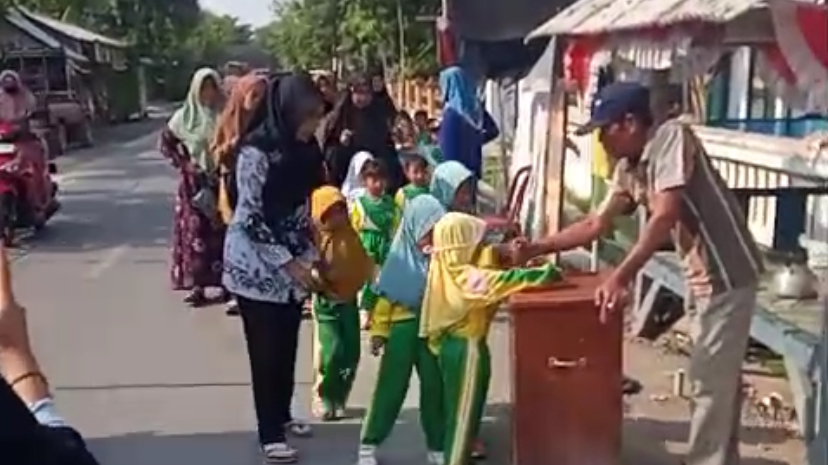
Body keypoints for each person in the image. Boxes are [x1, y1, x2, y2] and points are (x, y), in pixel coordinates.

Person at [514, 82, 764, 465]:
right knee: (717, 382)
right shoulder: (630, 168)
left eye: (604, 130)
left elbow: (664, 214)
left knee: (708, 383)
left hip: (727, 273)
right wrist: (539, 247)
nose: (600, 141)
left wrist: (621, 275)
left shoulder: (671, 138)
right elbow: (596, 224)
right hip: (701, 277)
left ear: (629, 123)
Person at [222, 72, 327, 463]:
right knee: (265, 351)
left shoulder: (304, 150)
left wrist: (312, 255)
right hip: (254, 265)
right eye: (308, 117)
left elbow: (306, 208)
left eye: (316, 117)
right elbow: (249, 217)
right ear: (287, 112)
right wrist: (288, 264)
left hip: (292, 258)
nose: (313, 125)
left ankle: (282, 414)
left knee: (287, 343)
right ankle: (269, 433)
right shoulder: (255, 152)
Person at [421, 213, 559, 465]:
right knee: (462, 422)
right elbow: (507, 280)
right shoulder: (466, 277)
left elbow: (488, 260)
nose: (481, 245)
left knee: (462, 415)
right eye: (475, 241)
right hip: (468, 351)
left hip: (455, 348)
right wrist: (547, 271)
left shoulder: (444, 265)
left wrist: (504, 252)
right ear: (463, 245)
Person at [357, 194, 447, 465]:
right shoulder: (399, 260)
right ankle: (368, 444)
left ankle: (438, 446)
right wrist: (379, 333)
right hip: (402, 331)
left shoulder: (442, 261)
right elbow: (386, 299)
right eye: (426, 232)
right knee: (390, 388)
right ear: (412, 227)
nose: (431, 239)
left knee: (435, 389)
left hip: (432, 330)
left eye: (436, 232)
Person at [159, 68, 230, 308]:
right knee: (195, 234)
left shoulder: (225, 114)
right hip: (193, 185)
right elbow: (166, 144)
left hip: (220, 181)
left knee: (222, 231)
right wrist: (186, 165)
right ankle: (196, 285)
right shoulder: (182, 118)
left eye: (212, 88)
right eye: (203, 89)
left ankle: (225, 284)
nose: (208, 94)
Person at [310, 186, 373, 421]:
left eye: (340, 210)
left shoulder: (350, 235)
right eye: (331, 211)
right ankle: (325, 397)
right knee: (332, 350)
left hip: (349, 302)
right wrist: (319, 281)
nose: (338, 216)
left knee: (351, 352)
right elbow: (312, 267)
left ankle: (339, 397)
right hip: (328, 303)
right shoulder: (318, 240)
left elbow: (362, 263)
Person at [210, 73, 267, 315]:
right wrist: (230, 146)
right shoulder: (228, 120)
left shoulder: (268, 121)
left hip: (261, 185)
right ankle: (238, 292)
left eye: (262, 97)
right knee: (237, 237)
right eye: (254, 96)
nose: (257, 102)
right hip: (233, 184)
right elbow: (215, 154)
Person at [321, 74, 403, 191]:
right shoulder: (341, 114)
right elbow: (327, 145)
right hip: (347, 165)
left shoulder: (379, 112)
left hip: (375, 164)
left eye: (367, 93)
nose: (363, 98)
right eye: (359, 93)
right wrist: (341, 142)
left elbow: (387, 140)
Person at [344, 157, 399, 329]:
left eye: (381, 179)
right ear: (364, 181)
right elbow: (352, 227)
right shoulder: (358, 204)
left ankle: (379, 311)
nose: (378, 184)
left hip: (385, 246)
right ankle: (364, 311)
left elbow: (395, 224)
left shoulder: (390, 203)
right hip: (366, 245)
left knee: (381, 280)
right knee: (367, 281)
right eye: (373, 179)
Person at [437, 66, 499, 181]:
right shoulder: (476, 109)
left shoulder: (451, 114)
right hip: (474, 168)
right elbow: (494, 131)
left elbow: (447, 150)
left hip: (456, 175)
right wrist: (476, 140)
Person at [0, 70, 49, 214]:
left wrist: (27, 126)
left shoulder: (27, 97)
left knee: (33, 165)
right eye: (5, 82)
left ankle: (39, 198)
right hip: (4, 139)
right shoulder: (1, 97)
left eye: (11, 82)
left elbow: (31, 113)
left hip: (24, 138)